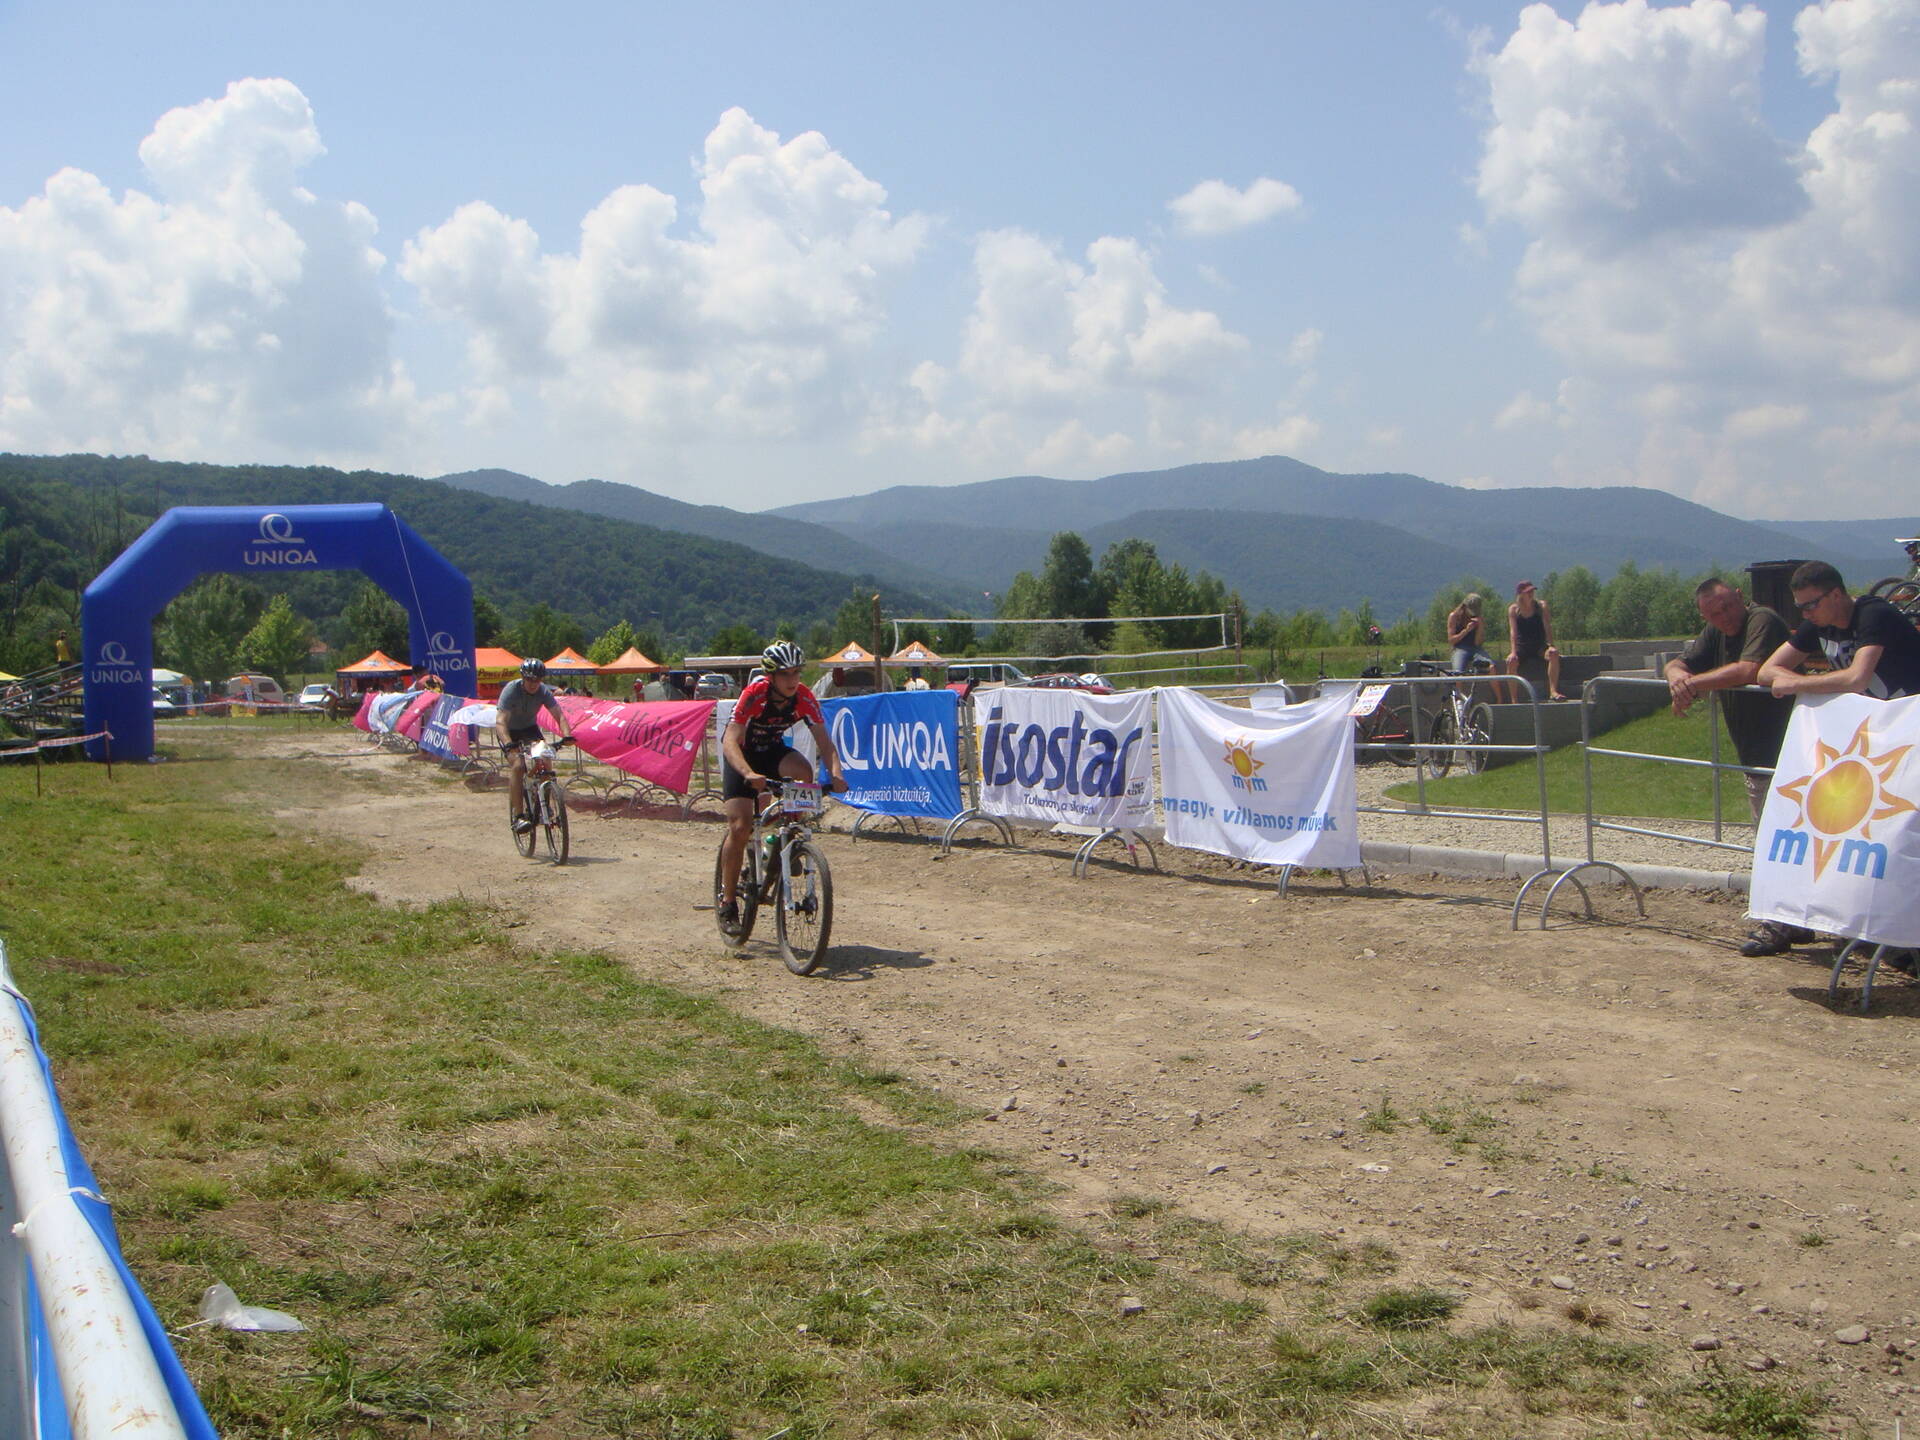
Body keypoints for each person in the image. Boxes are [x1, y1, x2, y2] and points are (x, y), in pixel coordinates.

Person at [715, 642, 848, 936]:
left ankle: (785, 837)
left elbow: (825, 743)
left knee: (803, 771)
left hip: (771, 752)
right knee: (740, 826)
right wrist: (748, 773)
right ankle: (728, 902)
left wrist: (837, 774)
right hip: (741, 756)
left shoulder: (804, 697)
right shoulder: (755, 694)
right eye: (785, 674)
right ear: (771, 676)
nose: (793, 680)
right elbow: (730, 740)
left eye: (797, 673)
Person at [1662, 578, 1793, 824]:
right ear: (1704, 616)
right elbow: (1678, 664)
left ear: (1740, 596)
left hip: (1788, 753)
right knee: (1765, 827)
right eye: (1714, 614)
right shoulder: (1715, 631)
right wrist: (1675, 678)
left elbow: (1749, 670)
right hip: (1755, 756)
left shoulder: (1762, 619)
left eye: (1728, 607)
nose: (1725, 617)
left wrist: (1691, 685)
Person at [1758, 560, 1920, 702]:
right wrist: (1795, 681)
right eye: (1800, 607)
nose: (1805, 614)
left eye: (1811, 605)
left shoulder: (1874, 614)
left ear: (1835, 595)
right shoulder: (1816, 623)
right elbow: (1765, 672)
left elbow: (1857, 679)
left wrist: (1796, 684)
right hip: (1880, 717)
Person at [494, 658, 574, 831]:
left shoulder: (543, 691)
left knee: (545, 758)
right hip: (509, 730)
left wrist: (567, 735)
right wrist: (508, 743)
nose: (533, 684)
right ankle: (518, 816)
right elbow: (501, 721)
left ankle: (544, 801)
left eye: (537, 680)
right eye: (529, 679)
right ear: (523, 678)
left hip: (529, 729)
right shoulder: (511, 690)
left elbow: (559, 715)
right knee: (518, 766)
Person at [1505, 580, 1567, 702]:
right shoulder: (1514, 609)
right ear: (1521, 594)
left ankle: (1553, 691)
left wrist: (1551, 645)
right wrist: (1513, 652)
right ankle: (1514, 700)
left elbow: (1547, 626)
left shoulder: (1541, 606)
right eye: (1528, 592)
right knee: (1511, 662)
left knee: (1554, 654)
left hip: (1539, 645)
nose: (1531, 594)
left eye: (1532, 591)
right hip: (1522, 646)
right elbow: (1513, 631)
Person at [1445, 593, 1491, 675]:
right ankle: (1459, 684)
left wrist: (1480, 627)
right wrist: (1466, 631)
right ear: (1465, 606)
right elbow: (1451, 640)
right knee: (1458, 672)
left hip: (1476, 649)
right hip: (1460, 648)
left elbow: (1478, 643)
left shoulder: (1478, 617)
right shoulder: (1454, 616)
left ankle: (1496, 683)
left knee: (1491, 667)